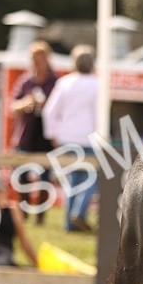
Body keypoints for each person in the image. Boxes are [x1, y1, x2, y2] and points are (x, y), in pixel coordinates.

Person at [42, 46, 98, 232]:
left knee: (72, 181)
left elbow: (49, 111)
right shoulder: (97, 84)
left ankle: (69, 223)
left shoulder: (64, 82)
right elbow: (99, 115)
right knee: (91, 178)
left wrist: (52, 135)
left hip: (66, 138)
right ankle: (79, 213)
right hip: (89, 138)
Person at [9, 40, 58, 223]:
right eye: (34, 59)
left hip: (45, 137)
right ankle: (23, 213)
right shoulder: (25, 81)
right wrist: (25, 104)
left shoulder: (56, 81)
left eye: (41, 58)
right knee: (21, 176)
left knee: (45, 177)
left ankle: (40, 217)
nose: (38, 63)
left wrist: (47, 106)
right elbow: (12, 106)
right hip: (26, 136)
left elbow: (60, 108)